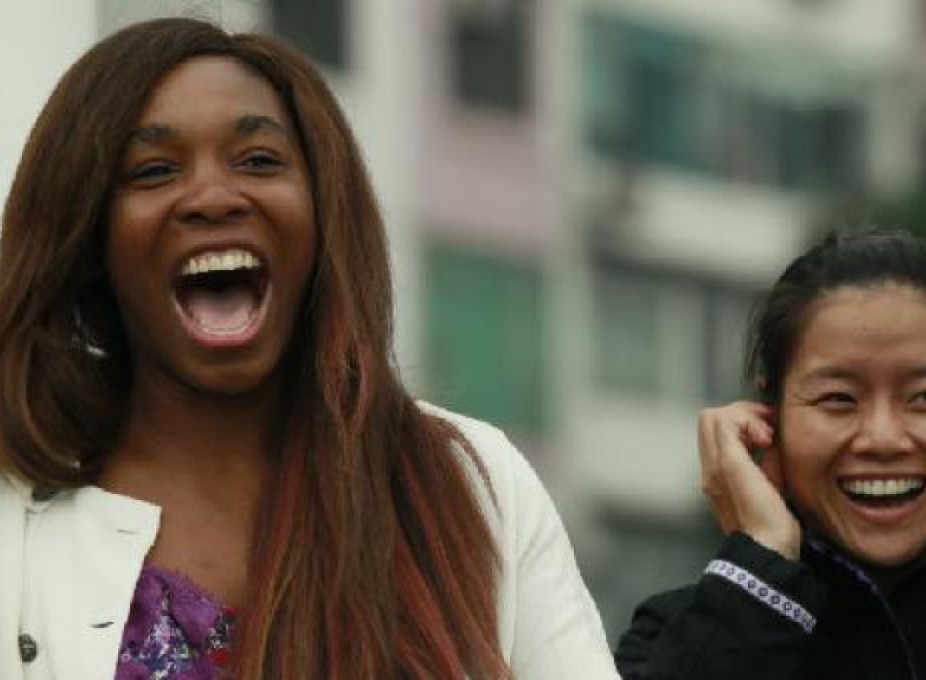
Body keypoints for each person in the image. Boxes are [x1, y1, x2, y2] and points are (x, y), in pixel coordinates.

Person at [0, 17, 620, 680]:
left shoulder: (473, 486)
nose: (212, 197)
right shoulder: (18, 517)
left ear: (325, 215)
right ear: (90, 237)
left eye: (259, 161)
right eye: (153, 171)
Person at [615, 229, 926, 680]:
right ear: (772, 418)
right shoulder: (679, 635)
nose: (882, 439)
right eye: (838, 399)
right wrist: (763, 557)